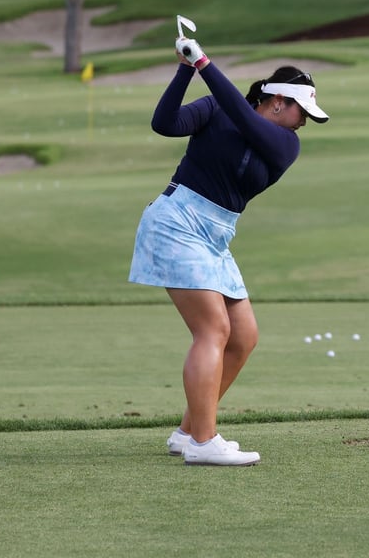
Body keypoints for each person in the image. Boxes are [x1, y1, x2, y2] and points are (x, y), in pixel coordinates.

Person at [129, 32, 329, 466]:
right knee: (214, 331)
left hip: (216, 236)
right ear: (278, 101)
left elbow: (243, 115)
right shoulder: (215, 107)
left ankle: (188, 432)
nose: (303, 122)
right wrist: (186, 71)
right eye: (301, 111)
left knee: (244, 337)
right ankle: (204, 441)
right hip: (176, 222)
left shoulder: (284, 145)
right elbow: (165, 123)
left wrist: (203, 63)